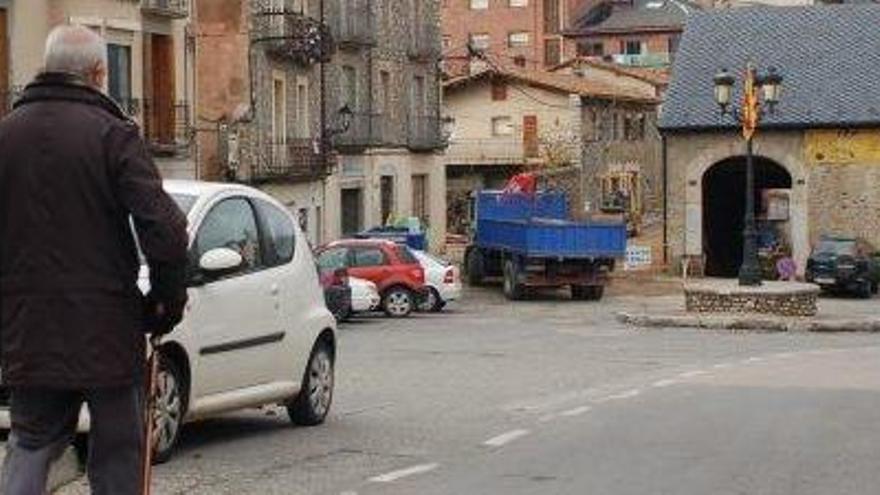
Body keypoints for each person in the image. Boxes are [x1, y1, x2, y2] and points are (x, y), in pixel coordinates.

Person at [0, 25, 188, 494]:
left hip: (26, 327)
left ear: (45, 68)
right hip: (106, 328)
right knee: (119, 450)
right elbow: (165, 230)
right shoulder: (113, 136)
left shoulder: (5, 136)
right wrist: (166, 301)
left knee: (30, 443)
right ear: (99, 73)